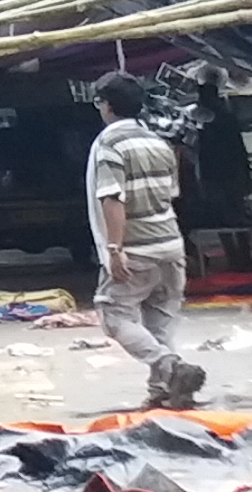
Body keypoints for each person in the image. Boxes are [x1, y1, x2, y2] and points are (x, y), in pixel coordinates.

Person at [86, 72, 204, 411]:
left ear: (106, 106)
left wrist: (114, 248)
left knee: (113, 313)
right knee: (160, 319)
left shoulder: (110, 146)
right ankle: (165, 391)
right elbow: (171, 194)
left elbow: (113, 199)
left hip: (135, 247)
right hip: (169, 243)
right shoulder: (160, 144)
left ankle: (171, 368)